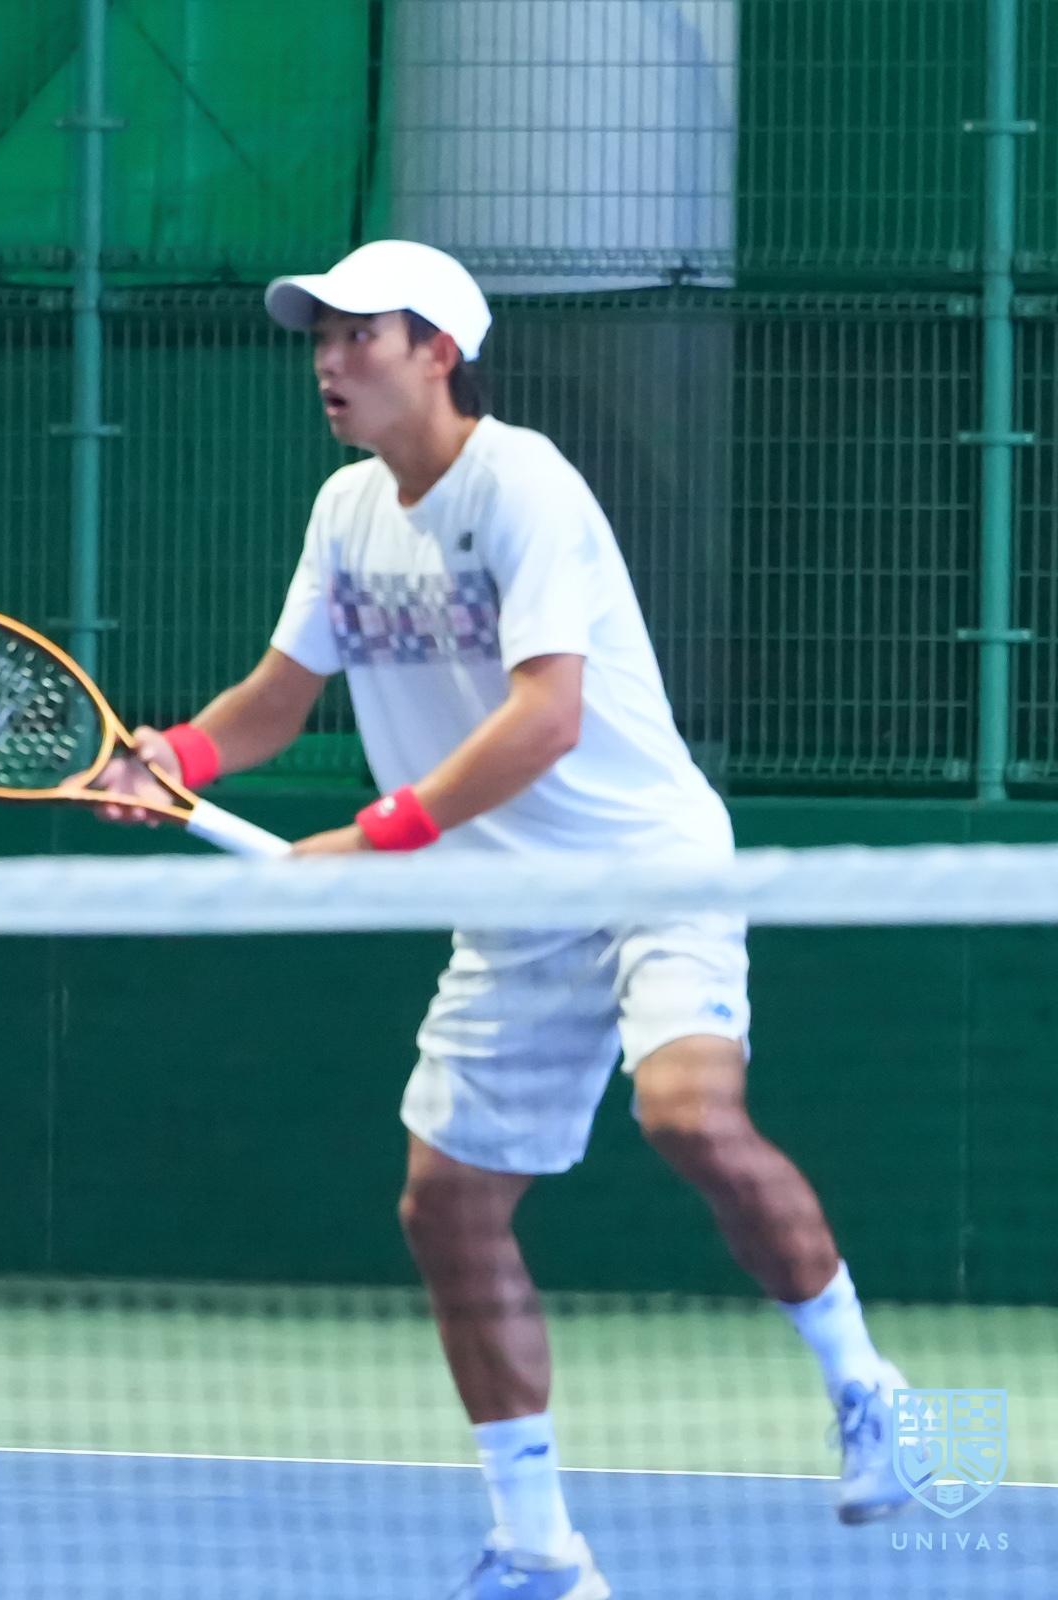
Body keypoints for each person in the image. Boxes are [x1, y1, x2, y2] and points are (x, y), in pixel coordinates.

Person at [93, 240, 909, 1598]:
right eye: (321, 336)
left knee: (688, 1116)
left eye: (360, 334)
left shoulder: (524, 483)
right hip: (506, 909)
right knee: (447, 1208)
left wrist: (375, 840)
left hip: (646, 867)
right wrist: (170, 754)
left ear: (440, 350)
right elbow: (276, 701)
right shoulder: (346, 510)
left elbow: (549, 717)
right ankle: (539, 1546)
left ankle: (866, 1384)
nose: (329, 359)